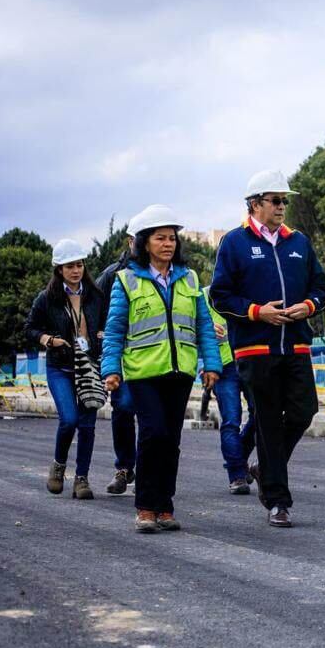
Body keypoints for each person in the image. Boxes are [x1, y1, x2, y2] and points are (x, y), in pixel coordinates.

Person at [209, 170, 325, 528]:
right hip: (253, 349)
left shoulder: (299, 243)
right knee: (267, 423)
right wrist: (257, 312)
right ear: (255, 203)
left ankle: (265, 466)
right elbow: (220, 295)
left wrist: (308, 306)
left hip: (296, 346)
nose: (282, 206)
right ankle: (278, 501)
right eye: (276, 200)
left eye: (284, 200)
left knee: (304, 410)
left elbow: (319, 287)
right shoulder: (234, 242)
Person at [101, 205, 222, 532]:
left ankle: (165, 506)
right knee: (153, 433)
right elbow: (114, 330)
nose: (168, 244)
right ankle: (145, 507)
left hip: (180, 372)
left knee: (170, 439)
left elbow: (204, 325)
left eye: (171, 238)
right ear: (144, 242)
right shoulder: (126, 281)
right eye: (160, 238)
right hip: (142, 373)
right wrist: (111, 369)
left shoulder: (190, 278)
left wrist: (211, 363)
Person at [25, 239, 105, 499]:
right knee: (69, 420)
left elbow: (107, 322)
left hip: (89, 366)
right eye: (70, 266)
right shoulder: (47, 298)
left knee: (88, 425)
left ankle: (82, 479)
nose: (76, 270)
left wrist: (103, 333)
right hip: (60, 366)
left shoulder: (95, 295)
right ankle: (58, 467)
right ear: (59, 269)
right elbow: (30, 328)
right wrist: (48, 339)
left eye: (80, 265)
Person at [94, 223, 139, 495]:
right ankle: (124, 468)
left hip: (151, 357)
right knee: (122, 408)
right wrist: (101, 337)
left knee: (151, 416)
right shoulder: (112, 275)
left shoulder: (162, 273)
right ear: (130, 240)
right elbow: (93, 309)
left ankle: (145, 470)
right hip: (120, 357)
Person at [203, 285, 257, 494]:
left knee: (260, 415)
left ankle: (239, 457)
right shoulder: (205, 295)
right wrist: (206, 330)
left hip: (251, 360)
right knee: (231, 420)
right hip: (223, 366)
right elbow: (191, 325)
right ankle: (236, 475)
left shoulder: (251, 288)